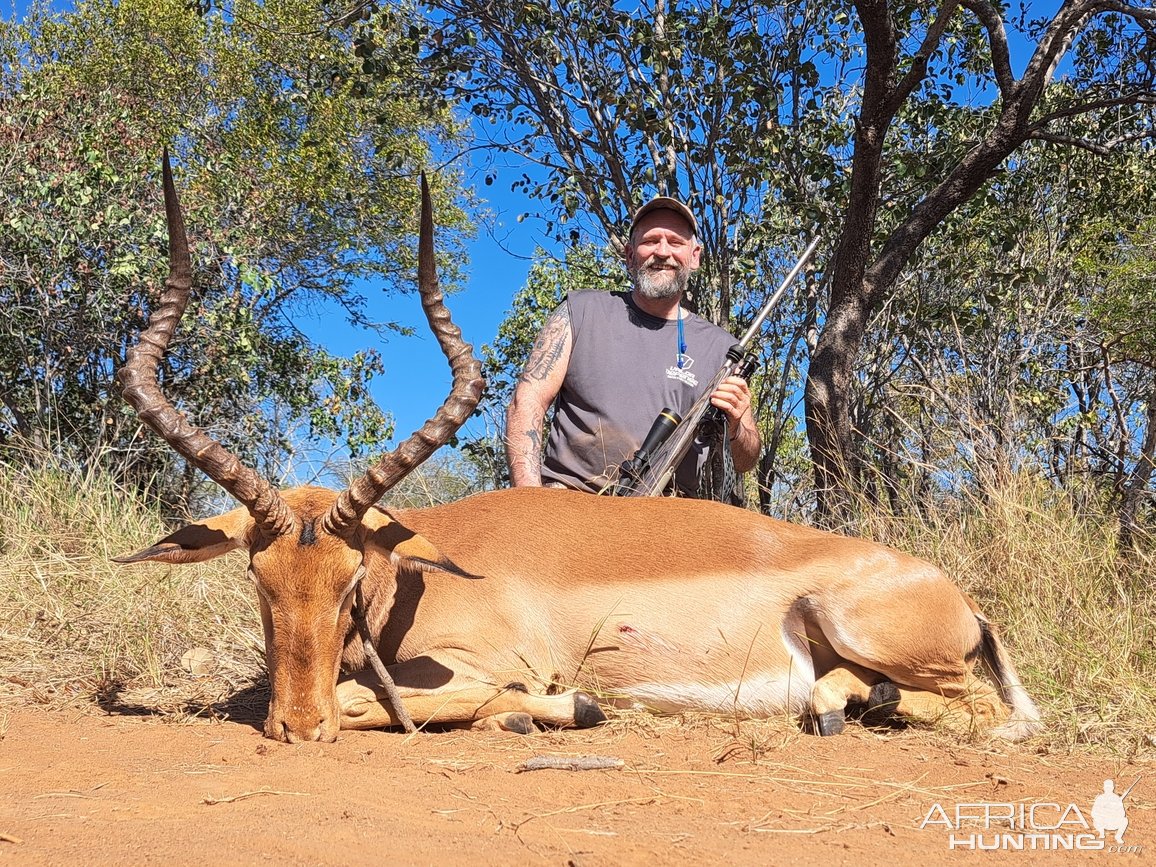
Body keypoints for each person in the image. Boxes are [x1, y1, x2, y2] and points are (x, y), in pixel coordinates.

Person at [505, 196, 761, 495]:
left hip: (671, 519)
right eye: (651, 241)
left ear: (695, 257)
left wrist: (736, 427)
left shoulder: (723, 350)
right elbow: (528, 400)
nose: (662, 252)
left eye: (675, 242)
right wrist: (529, 500)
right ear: (629, 255)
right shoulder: (582, 310)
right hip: (571, 503)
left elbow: (746, 458)